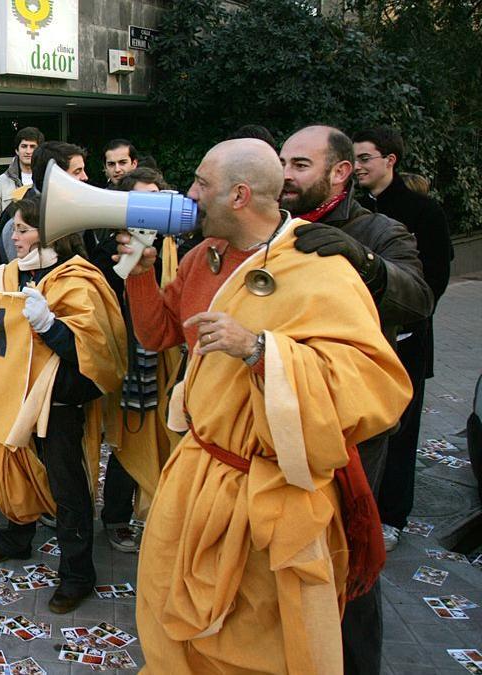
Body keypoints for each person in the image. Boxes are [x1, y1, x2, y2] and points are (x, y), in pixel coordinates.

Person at [126, 138, 411, 674]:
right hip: (197, 472)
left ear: (238, 196)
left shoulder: (316, 266)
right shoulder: (201, 257)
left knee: (254, 645)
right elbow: (158, 333)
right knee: (171, 614)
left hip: (270, 492)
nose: (190, 196)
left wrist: (260, 351)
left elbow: (375, 385)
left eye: (201, 184)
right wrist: (140, 272)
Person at [280, 125, 433, 675]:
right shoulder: (274, 225)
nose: (285, 175)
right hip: (283, 413)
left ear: (340, 172)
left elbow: (418, 301)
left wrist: (365, 263)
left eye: (300, 165)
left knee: (346, 554)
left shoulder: (380, 230)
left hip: (351, 424)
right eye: (282, 162)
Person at [0, 196, 126, 614]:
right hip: (11, 393)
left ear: (51, 232)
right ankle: (17, 536)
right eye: (14, 228)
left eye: (23, 229)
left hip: (58, 400)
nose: (14, 236)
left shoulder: (79, 278)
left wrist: (51, 327)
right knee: (13, 464)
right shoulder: (3, 275)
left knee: (67, 484)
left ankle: (78, 573)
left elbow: (96, 353)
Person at [352, 127, 454, 551]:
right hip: (360, 337)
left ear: (390, 160)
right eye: (354, 159)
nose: (358, 167)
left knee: (401, 428)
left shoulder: (423, 210)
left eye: (365, 158)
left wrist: (406, 316)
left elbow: (435, 278)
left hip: (407, 339)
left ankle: (391, 517)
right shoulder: (357, 211)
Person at [96, 167, 186, 555]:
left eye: (156, 199)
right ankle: (116, 517)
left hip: (171, 354)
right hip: (131, 354)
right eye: (142, 201)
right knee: (132, 436)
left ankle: (164, 512)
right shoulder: (111, 249)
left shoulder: (174, 244)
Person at [0, 141, 88, 268]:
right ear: (54, 176)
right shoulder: (16, 214)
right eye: (77, 172)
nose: (85, 177)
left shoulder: (79, 210)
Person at [0, 126, 44, 237]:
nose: (28, 151)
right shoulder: (0, 183)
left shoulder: (48, 180)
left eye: (32, 147)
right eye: (24, 146)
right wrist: (7, 238)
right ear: (17, 150)